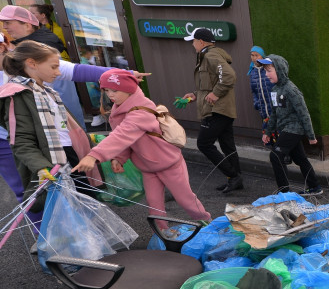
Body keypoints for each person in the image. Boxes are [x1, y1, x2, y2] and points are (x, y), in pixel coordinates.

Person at [71, 69, 210, 231]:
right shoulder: (120, 107)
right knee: (154, 203)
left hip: (168, 163)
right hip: (147, 167)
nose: (110, 95)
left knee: (185, 199)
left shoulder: (141, 111)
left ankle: (208, 223)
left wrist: (94, 155)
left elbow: (121, 135)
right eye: (107, 90)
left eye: (114, 90)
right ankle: (163, 233)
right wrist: (119, 158)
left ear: (129, 89)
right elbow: (127, 141)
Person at [0, 41, 96, 226]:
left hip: (66, 153)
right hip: (49, 162)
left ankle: (89, 248)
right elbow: (21, 140)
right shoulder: (19, 95)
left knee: (82, 205)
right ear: (32, 63)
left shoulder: (45, 90)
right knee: (65, 214)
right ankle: (71, 250)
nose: (58, 72)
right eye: (53, 67)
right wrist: (41, 167)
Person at [180, 27, 242, 194]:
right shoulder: (209, 55)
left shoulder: (210, 55)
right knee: (227, 146)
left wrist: (216, 94)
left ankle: (233, 175)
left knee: (203, 143)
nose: (192, 45)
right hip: (223, 109)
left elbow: (229, 76)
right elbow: (210, 84)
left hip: (217, 110)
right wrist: (194, 95)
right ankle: (236, 179)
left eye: (193, 42)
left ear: (201, 41)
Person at [258, 54, 322, 196]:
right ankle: (315, 187)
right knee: (300, 159)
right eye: (265, 71)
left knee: (275, 155)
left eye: (269, 70)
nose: (266, 74)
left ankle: (284, 193)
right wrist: (267, 132)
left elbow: (304, 113)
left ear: (280, 70)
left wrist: (311, 136)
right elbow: (274, 113)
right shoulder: (275, 90)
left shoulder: (291, 89)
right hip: (285, 128)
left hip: (294, 128)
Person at [248, 45, 274, 131]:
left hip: (275, 109)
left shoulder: (269, 68)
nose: (254, 58)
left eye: (256, 55)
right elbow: (254, 91)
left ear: (262, 56)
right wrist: (257, 103)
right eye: (252, 55)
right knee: (269, 135)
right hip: (263, 110)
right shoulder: (252, 72)